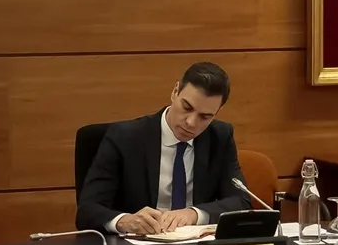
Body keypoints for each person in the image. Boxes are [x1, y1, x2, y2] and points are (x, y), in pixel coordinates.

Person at [76, 62, 251, 235]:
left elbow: (241, 201)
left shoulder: (220, 137)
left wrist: (194, 214)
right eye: (186, 107)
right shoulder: (124, 138)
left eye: (205, 117)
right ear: (175, 92)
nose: (191, 122)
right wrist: (125, 221)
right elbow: (87, 210)